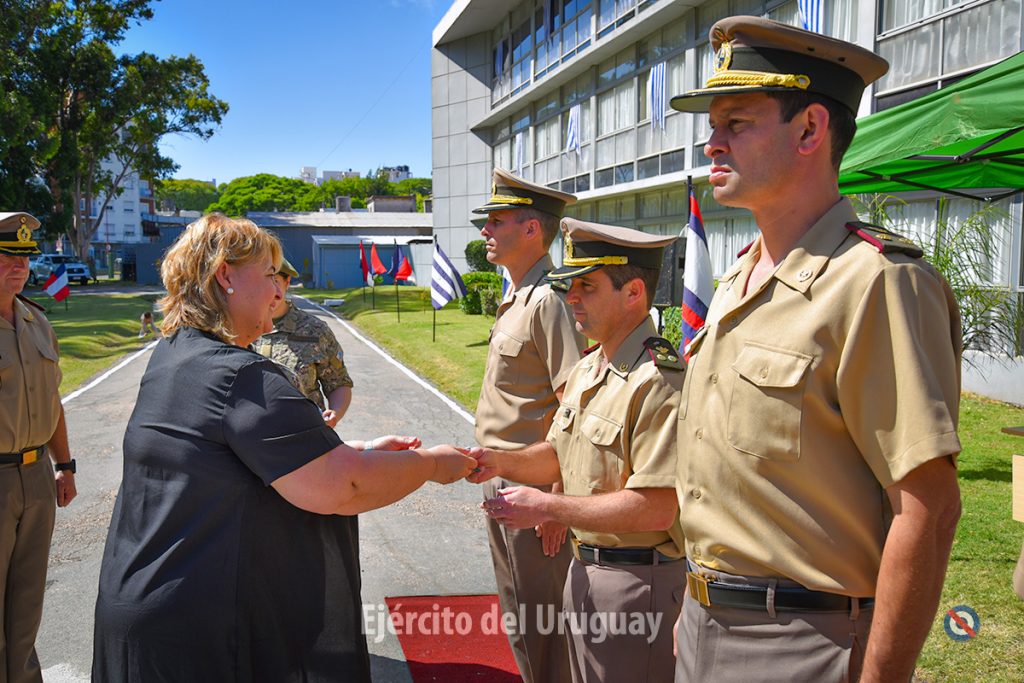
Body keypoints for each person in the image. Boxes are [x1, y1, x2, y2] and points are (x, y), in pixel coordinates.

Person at [669, 16, 962, 682]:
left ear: (809, 130)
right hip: (703, 624)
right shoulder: (738, 278)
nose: (712, 143)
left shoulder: (876, 282)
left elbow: (929, 508)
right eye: (712, 126)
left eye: (736, 123)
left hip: (802, 641)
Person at [92, 214, 475, 682]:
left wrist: (360, 448)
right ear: (226, 276)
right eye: (270, 274)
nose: (279, 291)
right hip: (197, 631)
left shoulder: (176, 354)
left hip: (151, 609)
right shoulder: (242, 376)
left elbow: (229, 460)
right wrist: (431, 464)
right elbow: (344, 486)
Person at [469, 218, 685, 683]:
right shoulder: (590, 368)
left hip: (637, 584)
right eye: (571, 286)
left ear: (633, 293)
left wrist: (549, 507)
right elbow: (558, 453)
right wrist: (494, 461)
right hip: (585, 571)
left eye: (587, 286)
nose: (571, 299)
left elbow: (656, 507)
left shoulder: (658, 381)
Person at [471, 168, 586, 683]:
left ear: (532, 229)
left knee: (541, 622)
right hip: (504, 476)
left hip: (534, 485)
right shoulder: (521, 295)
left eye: (496, 221)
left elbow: (573, 405)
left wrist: (557, 501)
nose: (485, 230)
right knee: (519, 612)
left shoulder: (549, 299)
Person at [0, 211, 77, 683]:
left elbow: (52, 401)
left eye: (25, 258)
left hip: (36, 479)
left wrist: (65, 465)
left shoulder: (36, 321)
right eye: (7, 256)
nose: (19, 266)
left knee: (27, 604)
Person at [258, 258, 353, 427]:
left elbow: (338, 382)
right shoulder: (235, 328)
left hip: (306, 432)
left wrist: (335, 414)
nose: (270, 290)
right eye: (262, 281)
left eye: (275, 281)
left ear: (287, 282)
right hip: (253, 434)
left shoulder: (314, 330)